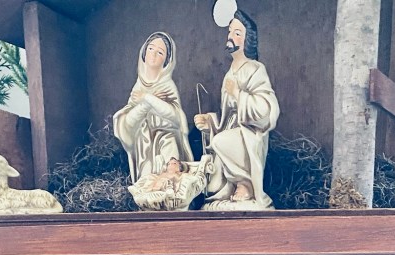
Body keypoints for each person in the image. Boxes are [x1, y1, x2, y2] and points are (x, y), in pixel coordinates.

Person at [193, 9, 279, 209]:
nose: (231, 36)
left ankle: (245, 183)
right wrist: (210, 122)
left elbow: (266, 110)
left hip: (249, 135)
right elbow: (227, 117)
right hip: (233, 130)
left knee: (220, 141)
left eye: (237, 33)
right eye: (230, 31)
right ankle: (232, 186)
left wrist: (239, 94)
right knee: (214, 175)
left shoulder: (255, 69)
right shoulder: (229, 73)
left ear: (248, 40)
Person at [113, 32, 193, 183]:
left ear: (167, 60)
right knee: (147, 181)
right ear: (144, 51)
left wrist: (147, 98)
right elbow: (128, 124)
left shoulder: (167, 86)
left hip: (167, 140)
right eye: (150, 48)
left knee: (171, 177)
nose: (153, 54)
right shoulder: (138, 87)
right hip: (144, 147)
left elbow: (176, 118)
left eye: (160, 52)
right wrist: (147, 103)